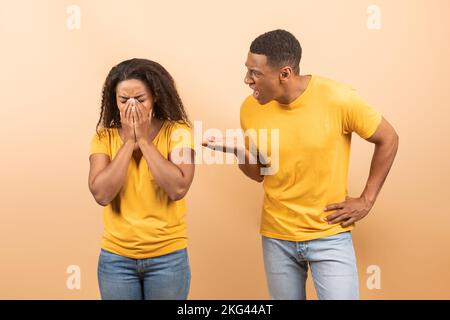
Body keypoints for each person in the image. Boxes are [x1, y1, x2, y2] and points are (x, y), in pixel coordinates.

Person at [203, 29, 399, 300]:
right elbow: (259, 174)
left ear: (284, 74)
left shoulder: (338, 98)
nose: (247, 80)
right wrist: (238, 151)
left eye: (255, 73)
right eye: (247, 70)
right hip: (277, 237)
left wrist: (367, 199)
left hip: (329, 234)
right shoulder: (250, 108)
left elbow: (388, 138)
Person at [88, 58, 195, 300]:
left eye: (140, 99)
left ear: (155, 97)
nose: (132, 107)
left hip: (168, 257)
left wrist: (145, 141)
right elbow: (101, 194)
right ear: (114, 101)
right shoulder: (103, 137)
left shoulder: (178, 132)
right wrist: (128, 143)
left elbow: (178, 187)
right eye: (124, 100)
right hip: (116, 258)